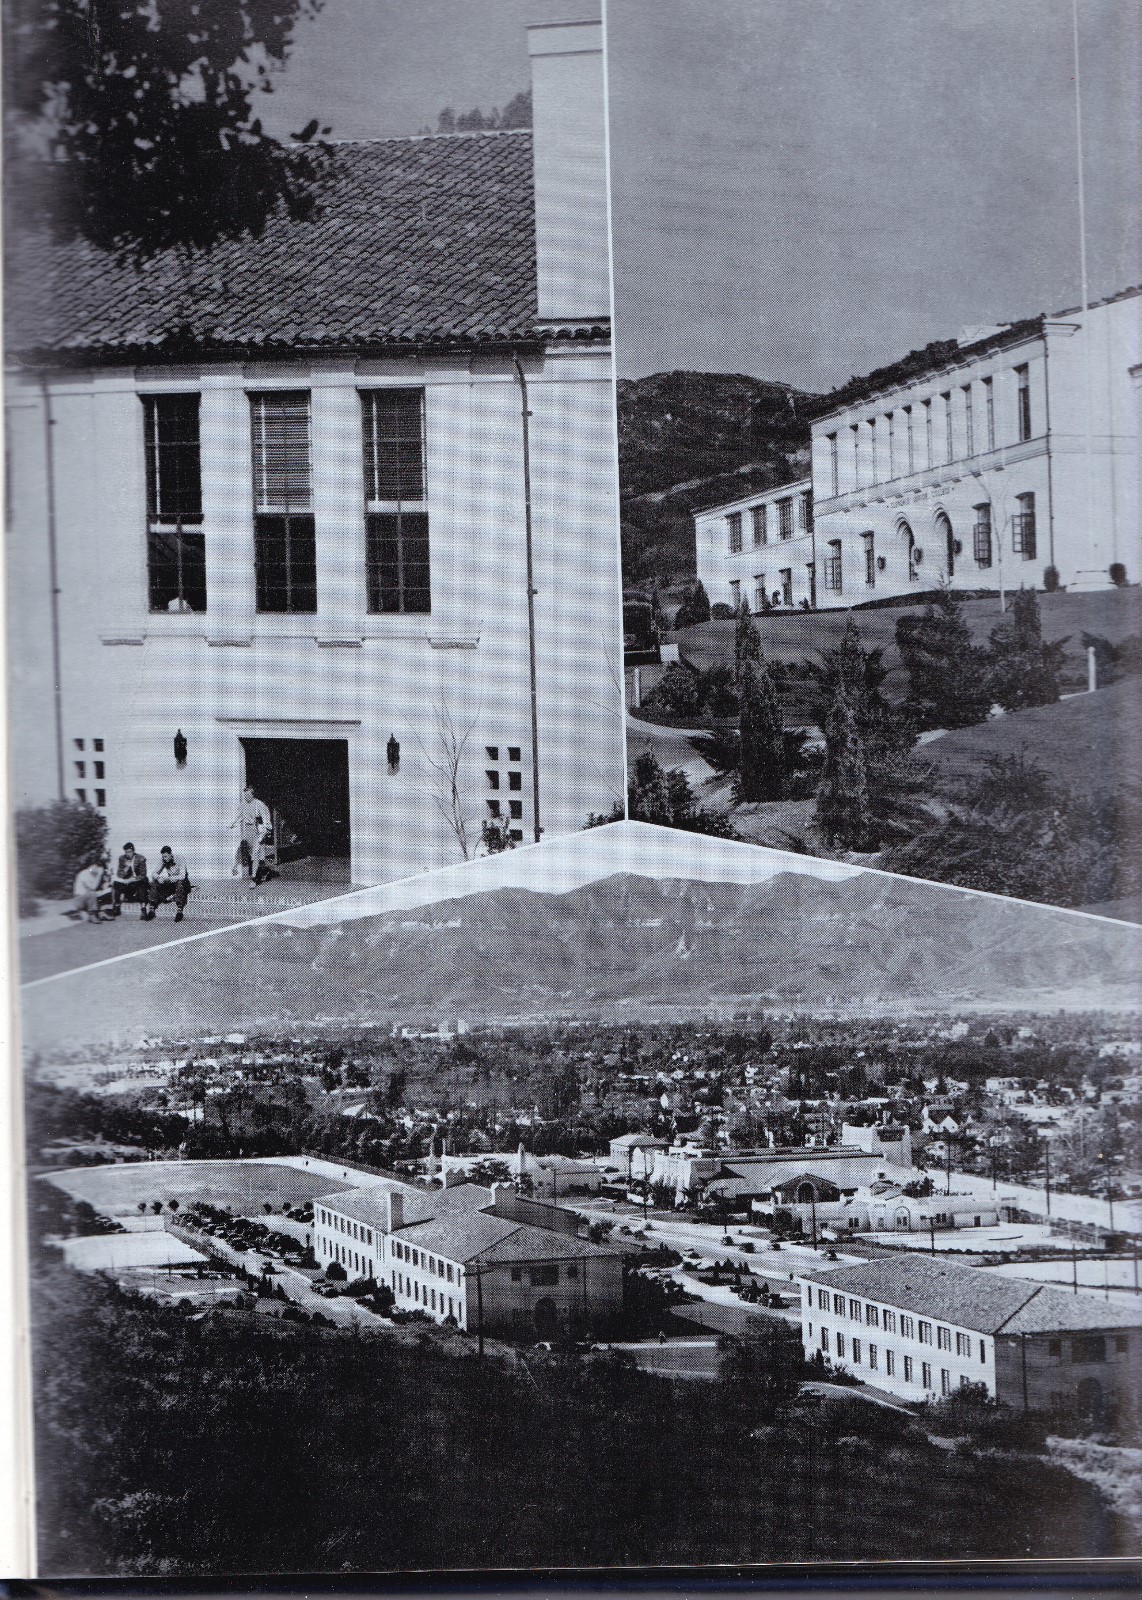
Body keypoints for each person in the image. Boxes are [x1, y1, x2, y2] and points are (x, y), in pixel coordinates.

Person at [229, 785, 273, 885]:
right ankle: (263, 872)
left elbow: (265, 818)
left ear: (253, 795)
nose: (246, 797)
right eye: (245, 795)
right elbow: (240, 815)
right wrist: (233, 823)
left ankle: (254, 878)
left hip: (258, 831)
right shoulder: (243, 804)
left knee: (256, 854)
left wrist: (265, 830)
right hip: (247, 830)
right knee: (247, 850)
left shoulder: (259, 804)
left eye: (248, 795)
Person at [144, 846, 191, 922]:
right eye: (163, 857)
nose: (164, 858)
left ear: (171, 854)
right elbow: (154, 873)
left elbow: (182, 876)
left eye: (165, 856)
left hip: (183, 883)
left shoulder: (180, 859)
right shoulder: (163, 860)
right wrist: (159, 877)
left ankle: (179, 912)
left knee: (180, 883)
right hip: (171, 883)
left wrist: (168, 878)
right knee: (154, 882)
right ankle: (151, 910)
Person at [109, 842, 148, 917]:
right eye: (126, 852)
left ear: (133, 851)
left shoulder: (140, 858)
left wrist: (132, 879)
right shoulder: (122, 858)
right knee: (116, 883)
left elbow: (143, 875)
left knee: (142, 883)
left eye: (129, 852)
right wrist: (126, 867)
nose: (128, 854)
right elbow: (119, 874)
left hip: (137, 881)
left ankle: (143, 909)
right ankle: (117, 906)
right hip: (127, 883)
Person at [72, 857, 110, 922]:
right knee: (92, 893)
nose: (96, 868)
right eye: (94, 866)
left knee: (109, 891)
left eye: (97, 867)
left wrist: (106, 883)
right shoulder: (84, 874)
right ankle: (92, 915)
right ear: (89, 866)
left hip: (88, 898)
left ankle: (103, 912)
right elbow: (92, 888)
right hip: (80, 900)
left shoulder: (94, 874)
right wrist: (99, 876)